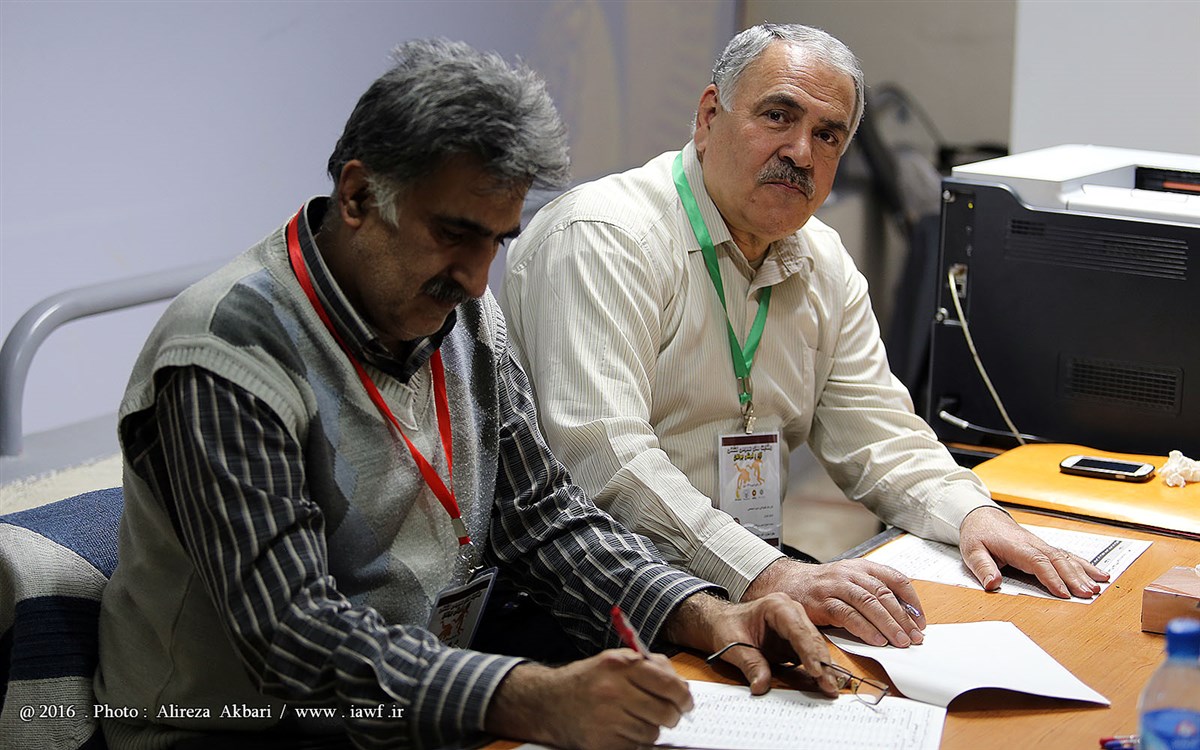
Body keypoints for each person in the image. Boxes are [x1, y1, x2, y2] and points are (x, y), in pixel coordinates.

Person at [94, 39, 842, 750]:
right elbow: (292, 636)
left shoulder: (463, 315)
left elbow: (541, 518)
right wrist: (524, 696)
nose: (479, 277)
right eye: (454, 234)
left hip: (420, 709)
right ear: (357, 195)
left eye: (497, 240)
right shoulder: (228, 354)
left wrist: (703, 613)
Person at [503, 23, 1109, 652]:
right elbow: (605, 462)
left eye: (827, 135)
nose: (800, 152)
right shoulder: (605, 238)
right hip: (595, 600)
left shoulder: (822, 259)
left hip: (743, 570)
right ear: (709, 117)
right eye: (778, 116)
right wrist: (772, 574)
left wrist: (974, 515)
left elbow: (879, 435)